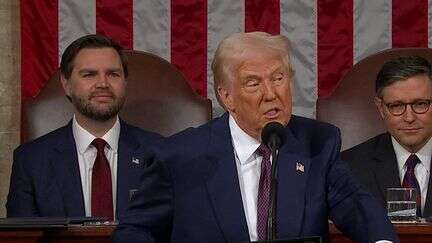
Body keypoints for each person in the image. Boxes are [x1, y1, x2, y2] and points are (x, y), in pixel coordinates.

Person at [112, 32, 397, 242]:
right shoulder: (179, 156)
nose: (271, 94)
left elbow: (358, 207)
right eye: (253, 83)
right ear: (227, 97)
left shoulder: (318, 143)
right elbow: (136, 230)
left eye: (278, 77)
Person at [6, 34, 162, 220]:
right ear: (66, 84)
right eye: (89, 74)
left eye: (113, 74)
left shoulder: (159, 153)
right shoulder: (31, 161)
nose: (103, 84)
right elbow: (22, 238)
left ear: (124, 82)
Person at [342, 55, 432, 218]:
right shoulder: (349, 167)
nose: (409, 118)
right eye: (396, 106)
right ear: (381, 108)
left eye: (420, 104)